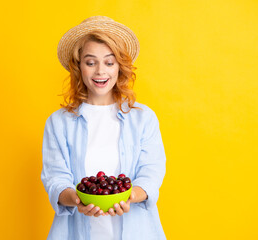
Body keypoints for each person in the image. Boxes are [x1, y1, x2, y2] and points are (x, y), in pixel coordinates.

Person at [41, 16, 166, 240]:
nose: (100, 71)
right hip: (73, 232)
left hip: (137, 231)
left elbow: (151, 172)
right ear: (79, 67)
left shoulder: (143, 118)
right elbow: (55, 178)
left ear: (120, 67)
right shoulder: (58, 122)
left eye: (109, 62)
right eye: (91, 62)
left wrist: (130, 196)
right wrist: (78, 200)